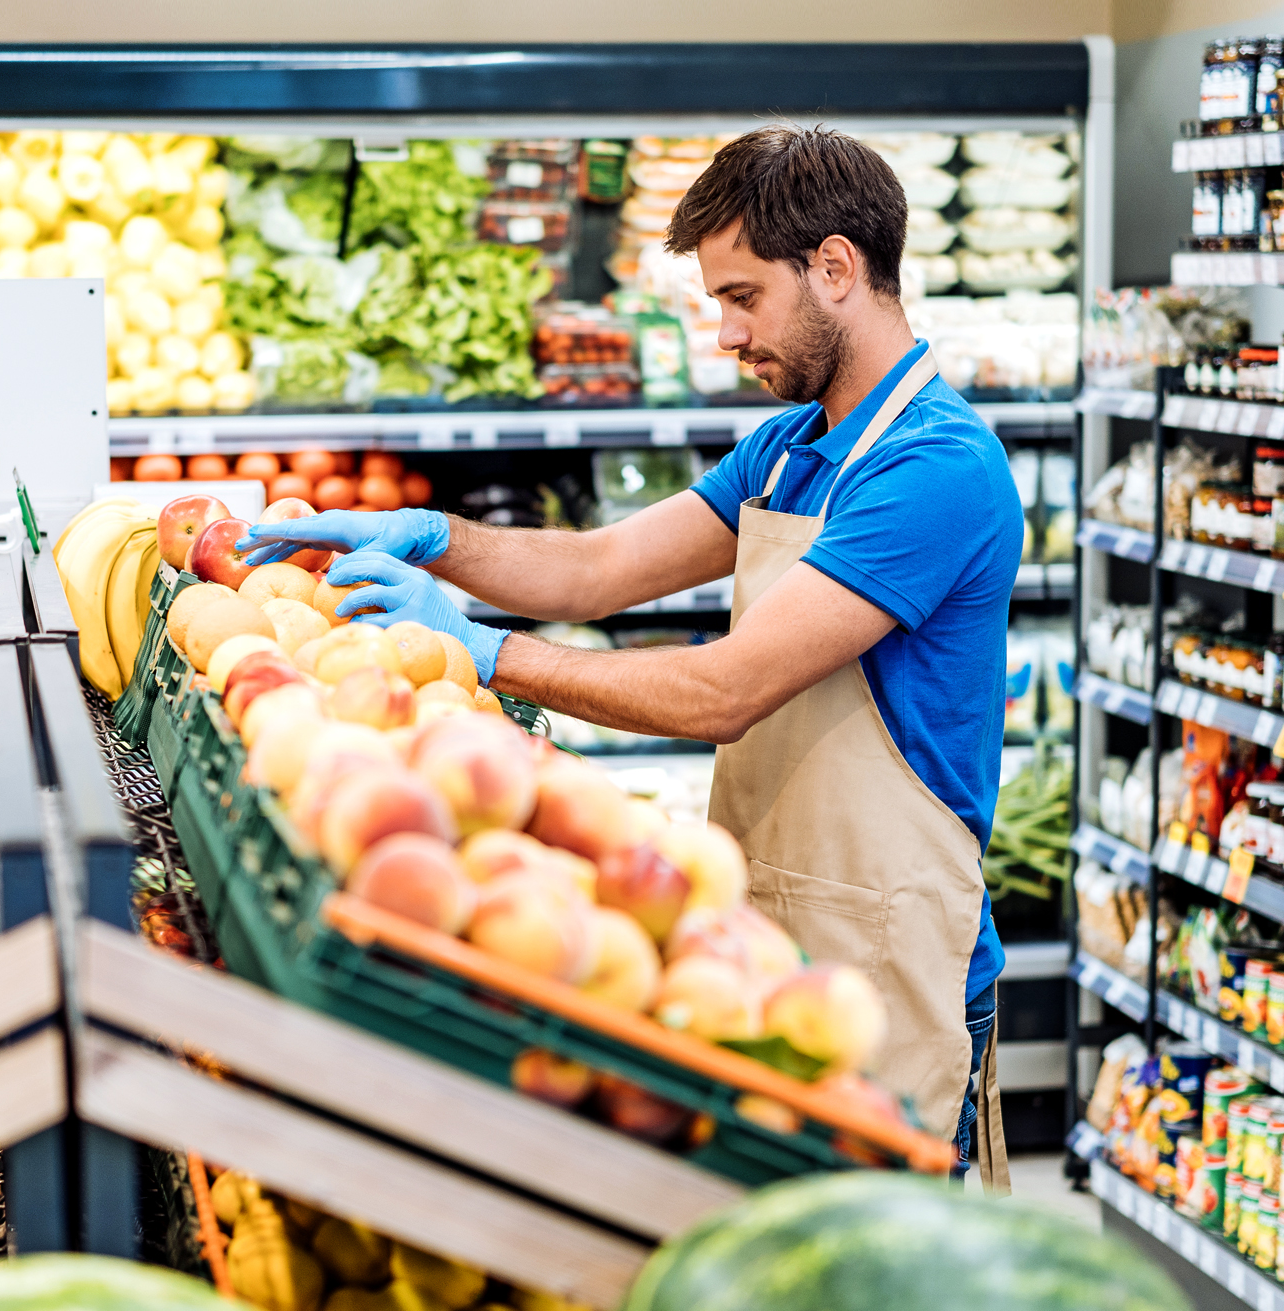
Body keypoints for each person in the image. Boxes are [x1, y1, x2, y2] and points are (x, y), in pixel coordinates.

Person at [239, 126, 1024, 1185]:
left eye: (743, 297)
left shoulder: (936, 468)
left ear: (835, 268)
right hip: (769, 926)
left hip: (890, 953)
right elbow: (598, 571)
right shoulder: (792, 446)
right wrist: (435, 537)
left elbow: (723, 690)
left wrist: (476, 650)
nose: (727, 336)